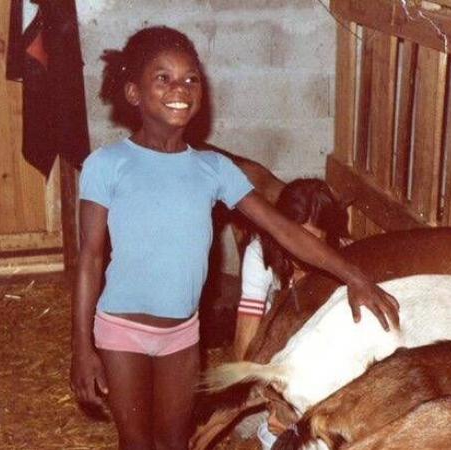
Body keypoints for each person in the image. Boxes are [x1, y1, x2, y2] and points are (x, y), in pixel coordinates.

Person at [69, 26, 399, 450]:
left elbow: (283, 230)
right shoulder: (107, 165)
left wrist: (353, 275)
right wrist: (82, 347)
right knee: (136, 443)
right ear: (133, 93)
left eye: (191, 79)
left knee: (175, 442)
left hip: (182, 337)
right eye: (163, 78)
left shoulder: (214, 169)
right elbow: (91, 258)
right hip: (121, 331)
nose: (181, 89)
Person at [233, 178, 348, 360]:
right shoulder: (259, 252)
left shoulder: (343, 255)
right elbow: (248, 322)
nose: (303, 252)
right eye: (296, 240)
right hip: (273, 338)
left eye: (315, 242)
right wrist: (239, 382)